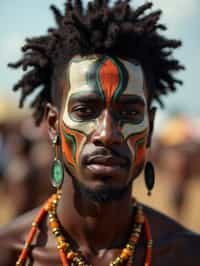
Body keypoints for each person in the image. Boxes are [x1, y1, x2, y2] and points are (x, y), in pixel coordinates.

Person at [0, 0, 199, 265]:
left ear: (150, 127)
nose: (107, 134)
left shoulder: (185, 254)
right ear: (52, 124)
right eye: (85, 110)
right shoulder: (12, 253)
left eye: (129, 113)